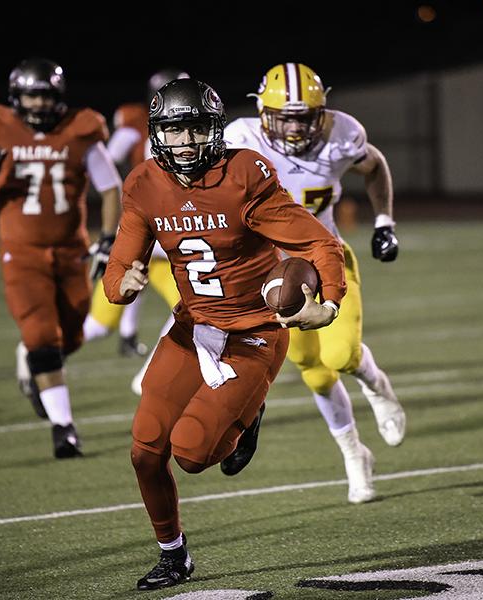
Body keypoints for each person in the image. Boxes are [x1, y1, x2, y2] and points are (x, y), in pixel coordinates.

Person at [102, 78, 347, 591]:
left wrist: (328, 303)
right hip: (193, 326)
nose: (186, 141)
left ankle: (248, 414)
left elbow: (319, 242)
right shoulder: (144, 184)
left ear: (213, 130)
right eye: (174, 130)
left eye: (195, 129)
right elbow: (118, 271)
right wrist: (122, 282)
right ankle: (174, 555)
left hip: (255, 331)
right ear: (157, 134)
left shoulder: (243, 176)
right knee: (145, 450)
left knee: (191, 454)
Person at [222, 62, 406, 503]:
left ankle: (377, 385)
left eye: (305, 116)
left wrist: (384, 222)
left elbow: (375, 165)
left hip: (327, 256)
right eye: (284, 116)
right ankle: (354, 454)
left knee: (342, 355)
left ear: (321, 112)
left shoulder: (343, 133)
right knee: (314, 372)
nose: (295, 126)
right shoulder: (238, 140)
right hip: (274, 271)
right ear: (263, 112)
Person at [0, 58, 122, 458]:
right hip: (22, 251)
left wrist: (107, 240)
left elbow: (110, 188)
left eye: (45, 96)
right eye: (31, 96)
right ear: (17, 98)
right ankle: (63, 428)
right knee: (42, 337)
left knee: (72, 335)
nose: (37, 105)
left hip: (71, 250)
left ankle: (31, 360)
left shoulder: (80, 129)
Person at [83, 68, 189, 358]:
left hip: (169, 237)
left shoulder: (190, 131)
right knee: (101, 322)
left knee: (195, 307)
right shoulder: (147, 131)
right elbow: (111, 157)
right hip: (152, 225)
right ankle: (44, 349)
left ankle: (133, 344)